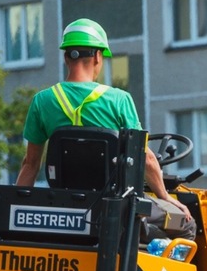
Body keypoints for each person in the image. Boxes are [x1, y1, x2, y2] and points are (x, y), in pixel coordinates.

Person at [16, 18, 195, 241]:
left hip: (64, 205)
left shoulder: (42, 102)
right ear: (98, 56)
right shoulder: (119, 100)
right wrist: (165, 195)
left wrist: (17, 209)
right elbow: (146, 158)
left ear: (65, 57)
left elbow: (30, 164)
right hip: (113, 208)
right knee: (186, 223)